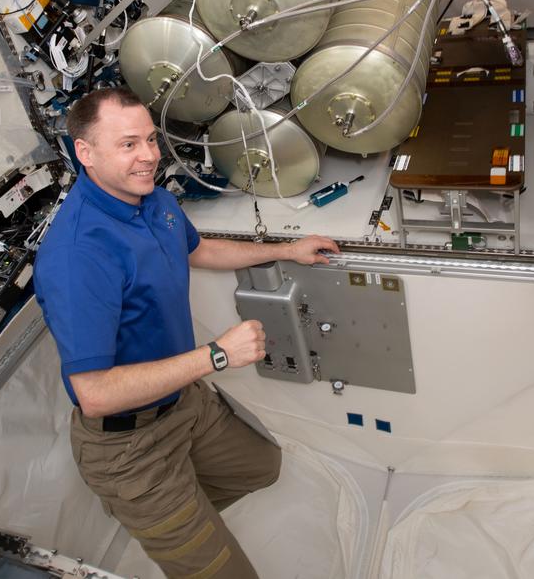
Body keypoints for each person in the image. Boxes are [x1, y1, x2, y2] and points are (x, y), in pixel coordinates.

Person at [33, 87, 340, 579]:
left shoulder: (151, 199)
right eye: (129, 144)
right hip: (130, 447)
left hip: (184, 405)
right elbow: (93, 394)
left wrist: (285, 250)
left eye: (151, 140)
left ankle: (179, 516)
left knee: (262, 467)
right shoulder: (77, 254)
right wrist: (217, 356)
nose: (150, 156)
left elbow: (198, 250)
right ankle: (156, 511)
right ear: (84, 153)